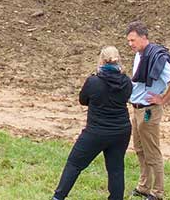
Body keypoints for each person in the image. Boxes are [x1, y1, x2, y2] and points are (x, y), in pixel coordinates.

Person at [52, 46, 134, 200]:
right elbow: (127, 97)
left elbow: (83, 100)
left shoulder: (93, 81)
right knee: (116, 169)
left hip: (96, 132)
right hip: (121, 131)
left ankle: (58, 197)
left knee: (74, 164)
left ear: (101, 61)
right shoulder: (126, 82)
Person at [127, 21, 170, 200]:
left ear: (144, 37)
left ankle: (157, 193)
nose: (130, 44)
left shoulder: (157, 58)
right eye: (128, 41)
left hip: (149, 110)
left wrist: (162, 99)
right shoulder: (139, 55)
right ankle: (144, 187)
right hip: (136, 109)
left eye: (133, 40)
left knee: (152, 152)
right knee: (140, 149)